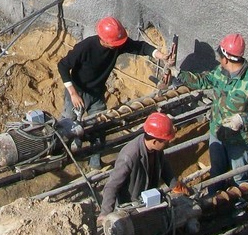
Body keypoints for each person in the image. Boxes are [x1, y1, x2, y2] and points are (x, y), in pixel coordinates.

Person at [58, 17, 169, 168]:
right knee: (67, 125)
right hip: (77, 92)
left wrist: (160, 55)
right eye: (115, 43)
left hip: (97, 94)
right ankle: (61, 155)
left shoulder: (117, 45)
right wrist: (72, 93)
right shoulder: (85, 47)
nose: (119, 45)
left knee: (99, 128)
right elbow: (63, 66)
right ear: (104, 40)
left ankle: (95, 163)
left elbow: (140, 47)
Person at [172, 33, 248, 185]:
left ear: (226, 58)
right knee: (216, 172)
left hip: (239, 140)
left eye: (220, 56)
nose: (218, 59)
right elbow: (204, 80)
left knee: (239, 177)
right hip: (217, 132)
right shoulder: (220, 71)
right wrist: (180, 74)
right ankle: (214, 195)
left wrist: (242, 119)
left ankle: (239, 198)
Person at [98, 112, 179, 218]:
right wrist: (105, 213)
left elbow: (164, 166)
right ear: (155, 141)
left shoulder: (156, 150)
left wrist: (175, 185)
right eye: (166, 141)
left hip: (149, 201)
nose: (168, 143)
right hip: (130, 207)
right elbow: (111, 186)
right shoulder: (129, 156)